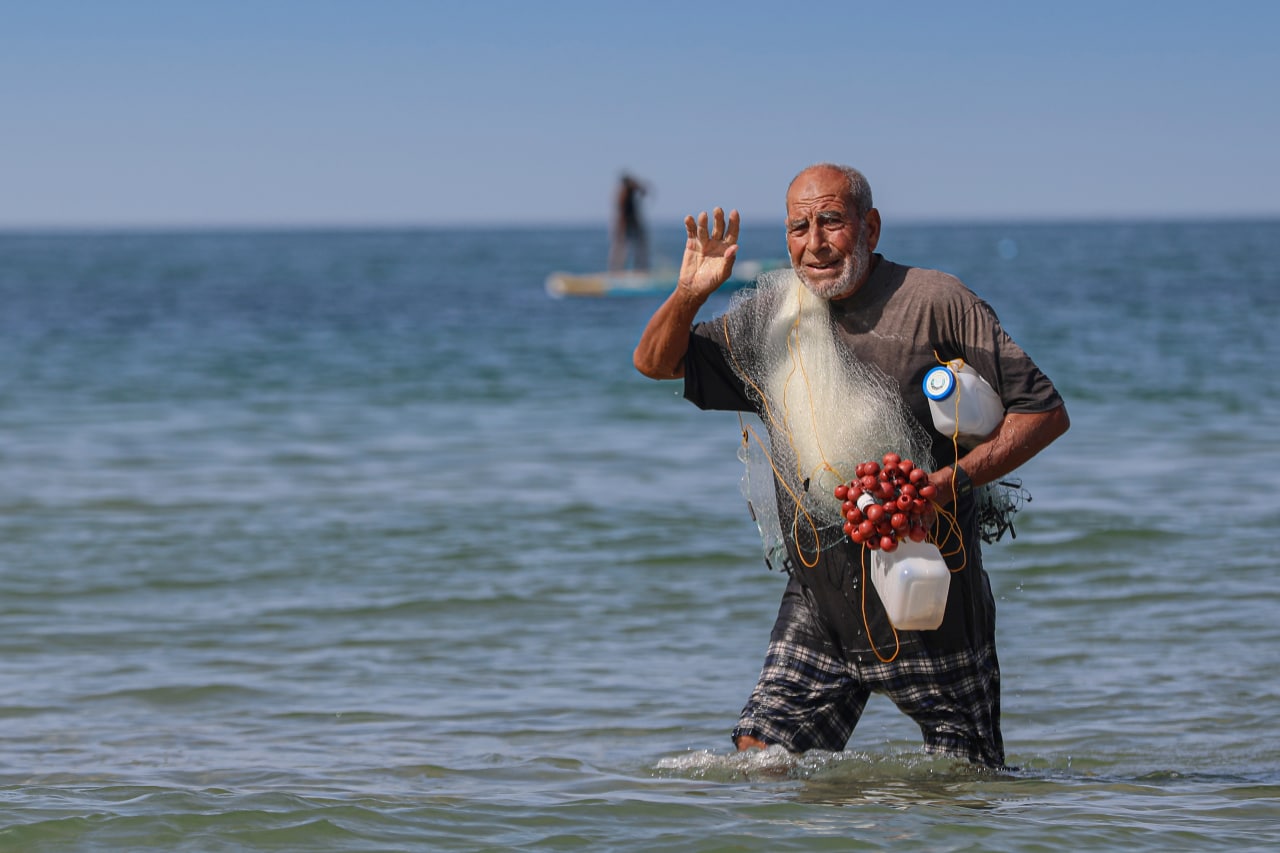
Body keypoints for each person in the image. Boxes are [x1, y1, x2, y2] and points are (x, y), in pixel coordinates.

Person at [632, 163, 1069, 768]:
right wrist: (689, 294)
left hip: (929, 590)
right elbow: (655, 363)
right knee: (762, 762)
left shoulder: (936, 302)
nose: (814, 243)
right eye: (799, 227)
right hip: (820, 599)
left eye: (831, 222)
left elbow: (1043, 412)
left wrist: (947, 483)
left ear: (871, 227)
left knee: (967, 784)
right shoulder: (772, 316)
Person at [609, 173, 649, 272]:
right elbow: (622, 214)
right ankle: (616, 269)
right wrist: (621, 230)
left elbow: (643, 191)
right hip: (625, 225)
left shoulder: (630, 191)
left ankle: (639, 268)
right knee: (622, 247)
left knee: (638, 247)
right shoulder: (623, 194)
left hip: (632, 223)